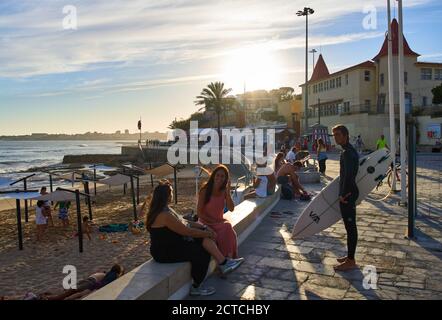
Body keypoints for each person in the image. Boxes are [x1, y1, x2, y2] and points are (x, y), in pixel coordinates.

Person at [146, 180, 244, 297]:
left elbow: (184, 221)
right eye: (171, 192)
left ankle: (223, 263)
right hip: (164, 251)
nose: (172, 194)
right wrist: (207, 233)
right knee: (201, 252)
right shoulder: (164, 215)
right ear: (166, 196)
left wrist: (204, 227)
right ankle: (196, 287)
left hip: (173, 243)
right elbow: (186, 231)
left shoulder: (164, 209)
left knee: (202, 238)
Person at [332, 124, 360, 271]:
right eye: (334, 135)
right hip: (349, 193)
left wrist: (343, 194)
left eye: (337, 134)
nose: (335, 137)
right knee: (350, 227)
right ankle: (350, 256)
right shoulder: (348, 150)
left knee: (350, 227)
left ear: (345, 135)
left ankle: (351, 260)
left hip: (348, 194)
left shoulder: (347, 153)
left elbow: (348, 176)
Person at [197, 165, 239, 259]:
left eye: (222, 176)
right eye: (217, 175)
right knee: (227, 227)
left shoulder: (224, 191)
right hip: (205, 222)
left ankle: (229, 258)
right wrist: (213, 221)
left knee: (230, 231)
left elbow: (231, 208)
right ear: (213, 176)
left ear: (226, 179)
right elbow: (199, 213)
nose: (219, 178)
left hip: (218, 222)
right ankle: (227, 259)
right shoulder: (205, 190)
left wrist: (227, 192)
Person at [44, 264, 125, 300]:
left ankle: (54, 297)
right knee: (73, 291)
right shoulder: (109, 275)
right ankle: (54, 297)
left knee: (73, 291)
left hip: (90, 280)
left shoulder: (107, 274)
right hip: (91, 281)